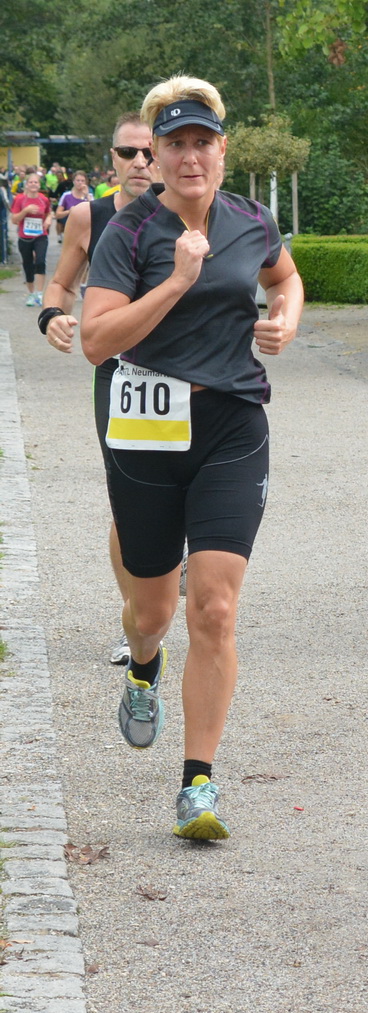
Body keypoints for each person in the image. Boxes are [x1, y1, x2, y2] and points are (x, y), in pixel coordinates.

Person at [82, 75, 304, 840]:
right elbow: (96, 340)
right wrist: (177, 281)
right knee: (155, 610)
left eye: (201, 142)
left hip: (232, 425)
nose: (188, 156)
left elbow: (285, 275)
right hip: (145, 432)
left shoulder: (251, 220)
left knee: (213, 605)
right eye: (172, 144)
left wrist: (285, 318)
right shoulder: (131, 233)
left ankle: (197, 783)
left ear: (222, 148)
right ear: (156, 152)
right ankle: (145, 664)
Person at [39, 114, 161, 669]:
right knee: (128, 500)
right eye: (127, 152)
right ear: (111, 158)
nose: (139, 163)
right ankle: (135, 612)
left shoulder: (193, 207)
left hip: (191, 374)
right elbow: (61, 284)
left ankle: (167, 568)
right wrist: (51, 316)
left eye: (147, 152)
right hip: (122, 375)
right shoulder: (90, 215)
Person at [10, 173, 52, 307]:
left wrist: (49, 219)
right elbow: (14, 219)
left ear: (39, 185)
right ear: (26, 184)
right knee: (28, 265)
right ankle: (31, 293)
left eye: (36, 182)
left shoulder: (43, 199)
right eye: (31, 182)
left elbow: (48, 213)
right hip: (25, 237)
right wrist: (26, 210)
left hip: (40, 235)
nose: (33, 185)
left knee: (40, 261)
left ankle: (39, 293)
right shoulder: (20, 199)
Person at [55, 170, 92, 239]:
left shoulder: (89, 196)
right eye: (78, 180)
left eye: (82, 181)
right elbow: (57, 214)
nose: (80, 183)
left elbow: (95, 211)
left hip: (85, 230)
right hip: (71, 229)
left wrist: (87, 195)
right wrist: (69, 211)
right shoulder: (66, 195)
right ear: (73, 181)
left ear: (86, 182)